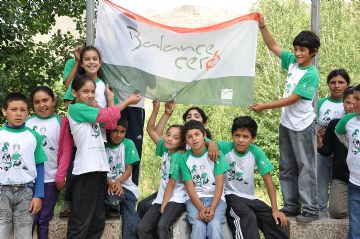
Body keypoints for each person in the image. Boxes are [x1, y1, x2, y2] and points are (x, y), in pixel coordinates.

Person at [251, 14, 321, 222]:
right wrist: (263, 26)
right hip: (286, 124)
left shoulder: (311, 74)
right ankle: (291, 205)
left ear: (313, 52)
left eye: (302, 50)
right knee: (287, 165)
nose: (298, 53)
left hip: (302, 125)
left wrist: (264, 106)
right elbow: (273, 46)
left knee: (305, 166)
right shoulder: (292, 61)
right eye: (296, 49)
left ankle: (310, 208)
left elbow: (292, 99)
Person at [66, 74, 141, 238]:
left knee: (97, 221)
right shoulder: (75, 108)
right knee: (81, 221)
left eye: (93, 91)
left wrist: (109, 99)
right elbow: (106, 116)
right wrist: (127, 102)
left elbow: (112, 123)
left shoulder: (91, 109)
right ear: (74, 93)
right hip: (87, 171)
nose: (90, 95)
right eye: (85, 91)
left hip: (100, 171)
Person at [60, 45, 120, 217]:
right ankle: (70, 203)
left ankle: (101, 207)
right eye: (87, 59)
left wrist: (100, 110)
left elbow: (111, 114)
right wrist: (93, 113)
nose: (91, 62)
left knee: (98, 176)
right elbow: (69, 104)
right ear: (81, 62)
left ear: (100, 62)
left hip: (100, 136)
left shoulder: (104, 87)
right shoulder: (77, 82)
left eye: (95, 59)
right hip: (81, 136)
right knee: (77, 170)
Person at [217, 116, 288, 239]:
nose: (240, 140)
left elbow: (269, 182)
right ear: (232, 136)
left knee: (275, 220)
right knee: (247, 217)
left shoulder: (256, 152)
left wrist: (275, 209)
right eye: (237, 135)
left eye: (245, 137)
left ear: (253, 138)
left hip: (250, 198)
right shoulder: (225, 147)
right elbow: (203, 140)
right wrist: (211, 144)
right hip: (230, 196)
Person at [26, 86, 73, 238]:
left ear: (53, 101)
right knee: (28, 219)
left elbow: (66, 151)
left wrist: (60, 177)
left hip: (50, 180)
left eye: (45, 100)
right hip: (28, 180)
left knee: (44, 219)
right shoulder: (27, 123)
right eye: (37, 102)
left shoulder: (61, 122)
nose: (42, 105)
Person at [137, 99, 187, 239]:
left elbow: (172, 184)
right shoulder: (166, 148)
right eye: (168, 134)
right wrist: (158, 111)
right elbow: (150, 129)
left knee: (161, 226)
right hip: (162, 196)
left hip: (176, 198)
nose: (170, 138)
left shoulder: (179, 155)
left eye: (175, 137)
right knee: (142, 228)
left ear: (182, 142)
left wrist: (163, 205)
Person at [0, 92, 47, 239]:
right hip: (2, 191)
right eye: (13, 109)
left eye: (23, 110)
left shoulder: (34, 136)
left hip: (26, 191)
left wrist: (38, 195)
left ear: (28, 112)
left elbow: (40, 166)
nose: (18, 114)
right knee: (2, 231)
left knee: (24, 233)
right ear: (4, 111)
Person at [179, 120, 230, 239]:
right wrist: (201, 208)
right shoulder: (184, 159)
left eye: (197, 134)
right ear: (186, 140)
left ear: (204, 136)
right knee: (198, 226)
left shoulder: (216, 153)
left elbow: (220, 184)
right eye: (189, 137)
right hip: (195, 200)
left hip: (216, 199)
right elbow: (190, 187)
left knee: (214, 225)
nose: (194, 139)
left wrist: (212, 208)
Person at [317, 69, 350, 215]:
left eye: (341, 82)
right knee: (320, 187)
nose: (336, 86)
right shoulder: (320, 103)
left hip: (344, 154)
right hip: (323, 150)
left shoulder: (352, 102)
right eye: (333, 82)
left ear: (347, 84)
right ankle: (321, 216)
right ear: (328, 85)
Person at [105, 118, 140, 239]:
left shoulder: (128, 143)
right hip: (107, 186)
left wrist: (118, 182)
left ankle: (115, 203)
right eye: (115, 131)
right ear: (109, 131)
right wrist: (110, 182)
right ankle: (114, 203)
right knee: (117, 200)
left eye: (122, 131)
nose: (118, 135)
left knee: (129, 209)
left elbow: (129, 170)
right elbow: (100, 172)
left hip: (126, 187)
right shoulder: (102, 145)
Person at [335, 84, 360, 239]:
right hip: (355, 183)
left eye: (358, 99)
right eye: (353, 99)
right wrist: (350, 145)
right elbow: (339, 131)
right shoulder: (349, 120)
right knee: (355, 227)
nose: (354, 103)